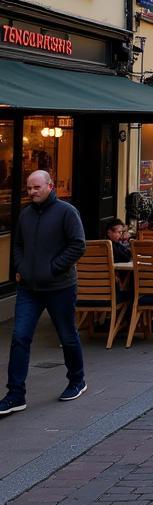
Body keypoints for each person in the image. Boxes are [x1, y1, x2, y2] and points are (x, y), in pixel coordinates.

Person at [1, 171, 87, 415]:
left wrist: (53, 268)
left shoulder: (66, 212)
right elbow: (17, 244)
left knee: (67, 335)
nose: (32, 192)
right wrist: (21, 267)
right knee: (20, 337)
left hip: (60, 287)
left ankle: (77, 380)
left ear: (50, 186)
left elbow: (78, 244)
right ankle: (15, 394)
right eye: (29, 188)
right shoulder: (25, 214)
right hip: (29, 288)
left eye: (36, 187)